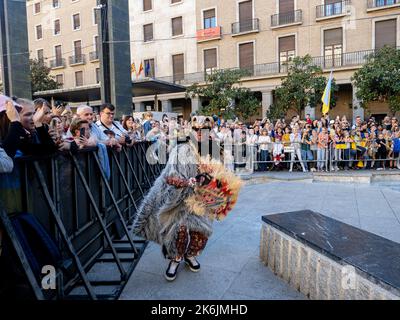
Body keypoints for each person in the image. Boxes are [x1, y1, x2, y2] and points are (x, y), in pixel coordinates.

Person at [132, 116, 241, 282]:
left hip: (201, 199)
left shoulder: (213, 149)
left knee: (200, 232)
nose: (199, 133)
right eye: (196, 130)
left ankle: (190, 255)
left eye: (203, 130)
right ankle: (175, 259)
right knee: (179, 230)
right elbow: (170, 176)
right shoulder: (181, 149)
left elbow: (222, 175)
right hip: (179, 198)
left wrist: (216, 187)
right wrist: (187, 181)